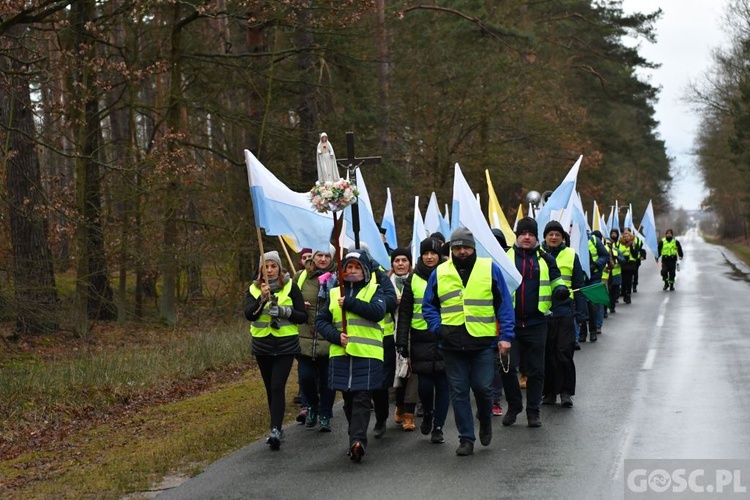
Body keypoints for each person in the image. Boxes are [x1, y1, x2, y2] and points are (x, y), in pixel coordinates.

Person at [422, 227, 515, 456]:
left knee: (483, 388)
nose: (462, 251)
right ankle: (466, 438)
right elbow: (428, 306)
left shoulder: (489, 268)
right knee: (459, 392)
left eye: (466, 247)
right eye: (457, 247)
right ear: (451, 249)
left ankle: (484, 419)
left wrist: (505, 336)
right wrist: (438, 328)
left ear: (474, 248)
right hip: (451, 343)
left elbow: (503, 304)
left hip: (482, 342)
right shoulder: (440, 272)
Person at [316, 250, 388, 462]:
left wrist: (350, 303)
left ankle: (358, 441)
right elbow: (321, 322)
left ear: (365, 270)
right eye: (349, 267)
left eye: (357, 267)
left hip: (367, 354)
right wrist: (337, 337)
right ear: (342, 270)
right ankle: (354, 437)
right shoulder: (333, 293)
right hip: (341, 354)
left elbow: (378, 312)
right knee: (348, 400)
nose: (353, 271)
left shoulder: (375, 290)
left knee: (362, 398)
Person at [501, 217, 568, 428]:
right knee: (507, 368)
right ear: (517, 236)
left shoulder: (546, 258)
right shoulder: (504, 258)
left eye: (531, 234)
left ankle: (533, 411)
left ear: (536, 237)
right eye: (523, 234)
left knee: (536, 370)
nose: (527, 237)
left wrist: (560, 290)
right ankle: (514, 406)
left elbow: (557, 279)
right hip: (510, 323)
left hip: (537, 322)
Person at [244, 251, 308, 450]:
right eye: (266, 267)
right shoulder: (253, 289)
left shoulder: (291, 286)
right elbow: (250, 315)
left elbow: (302, 316)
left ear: (280, 268)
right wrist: (262, 300)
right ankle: (276, 425)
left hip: (285, 345)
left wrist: (283, 311)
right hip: (262, 345)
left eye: (273, 266)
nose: (270, 270)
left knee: (277, 386)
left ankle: (276, 429)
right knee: (270, 388)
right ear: (260, 270)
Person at [396, 237, 449, 444]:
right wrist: (402, 341)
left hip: (445, 336)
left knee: (443, 385)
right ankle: (427, 412)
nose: (429, 257)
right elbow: (406, 312)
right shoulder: (413, 278)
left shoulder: (449, 275)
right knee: (425, 386)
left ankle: (438, 427)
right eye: (426, 253)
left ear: (438, 256)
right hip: (420, 339)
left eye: (433, 253)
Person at [540, 221, 586, 408]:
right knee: (547, 354)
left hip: (565, 310)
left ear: (563, 237)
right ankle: (549, 392)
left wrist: (581, 314)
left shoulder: (571, 255)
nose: (553, 237)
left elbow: (579, 285)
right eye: (550, 234)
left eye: (557, 234)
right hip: (543, 312)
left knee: (564, 352)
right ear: (545, 237)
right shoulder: (538, 255)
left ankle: (566, 392)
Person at [293, 247, 337, 432]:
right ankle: (312, 406)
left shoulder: (338, 279)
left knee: (328, 380)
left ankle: (325, 413)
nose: (323, 259)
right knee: (306, 378)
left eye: (327, 256)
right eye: (320, 255)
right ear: (313, 257)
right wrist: (298, 305)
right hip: (305, 338)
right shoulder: (300, 277)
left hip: (329, 338)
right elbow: (288, 300)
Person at [387, 248, 419, 432]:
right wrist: (393, 302)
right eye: (397, 260)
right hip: (390, 333)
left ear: (409, 263)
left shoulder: (415, 281)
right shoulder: (385, 282)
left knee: (412, 373)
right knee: (397, 373)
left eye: (404, 260)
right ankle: (399, 404)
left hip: (411, 333)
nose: (400, 263)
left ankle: (409, 413)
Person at [578, 230, 609, 344]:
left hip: (594, 277)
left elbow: (605, 256)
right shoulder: (572, 240)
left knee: (593, 305)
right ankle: (582, 333)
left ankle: (593, 331)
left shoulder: (594, 240)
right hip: (580, 278)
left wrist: (595, 265)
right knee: (581, 306)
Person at [617, 231, 639, 304]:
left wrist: (631, 247)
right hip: (623, 264)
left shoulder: (634, 244)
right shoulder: (619, 244)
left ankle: (628, 295)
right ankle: (624, 293)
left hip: (630, 265)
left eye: (628, 236)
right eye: (625, 236)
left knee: (628, 281)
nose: (626, 238)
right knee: (623, 281)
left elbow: (635, 255)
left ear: (630, 237)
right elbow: (617, 253)